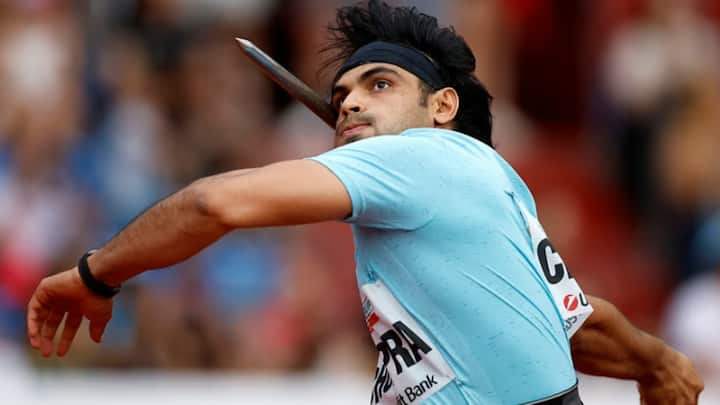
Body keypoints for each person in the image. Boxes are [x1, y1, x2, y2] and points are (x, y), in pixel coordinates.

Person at [27, 1, 703, 404]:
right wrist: (656, 361)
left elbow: (213, 204)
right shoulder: (492, 179)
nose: (349, 102)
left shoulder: (415, 157)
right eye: (343, 93)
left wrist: (96, 273)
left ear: (442, 107)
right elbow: (573, 324)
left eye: (379, 84)